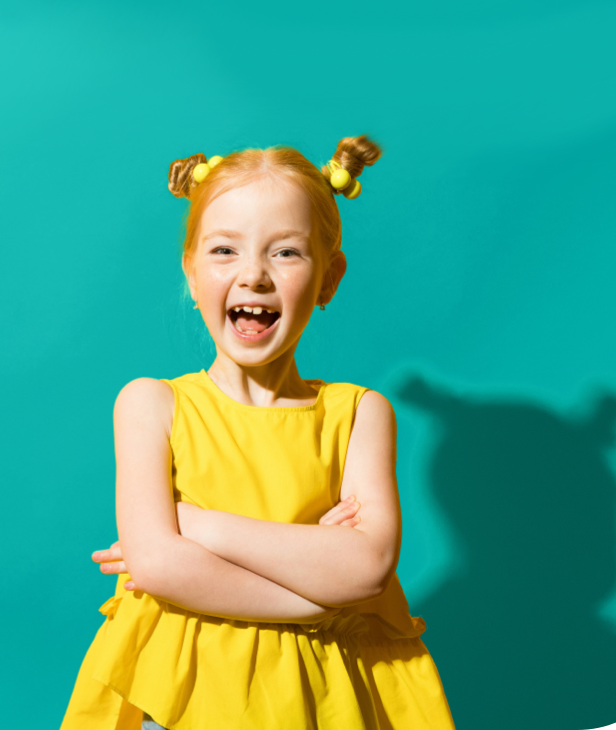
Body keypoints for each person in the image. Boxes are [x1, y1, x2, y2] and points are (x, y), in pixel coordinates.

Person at [58, 136, 456, 730]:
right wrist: (320, 599)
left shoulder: (360, 415)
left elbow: (368, 567)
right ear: (192, 275)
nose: (254, 276)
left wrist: (195, 524)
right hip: (182, 697)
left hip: (327, 699)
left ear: (329, 278)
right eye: (224, 250)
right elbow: (162, 566)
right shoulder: (151, 405)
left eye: (287, 254)